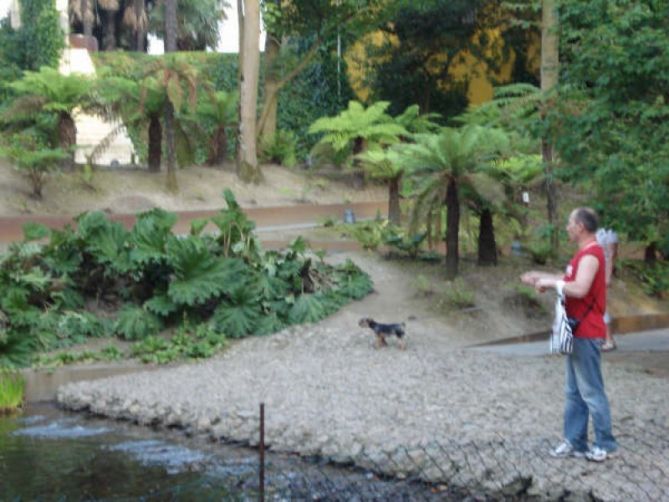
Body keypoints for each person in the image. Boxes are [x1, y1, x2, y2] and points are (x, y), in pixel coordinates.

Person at [521, 207, 618, 462]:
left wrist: (551, 283)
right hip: (576, 330)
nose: (566, 227)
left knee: (591, 390)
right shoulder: (583, 255)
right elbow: (567, 278)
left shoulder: (591, 254)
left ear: (581, 227)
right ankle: (575, 442)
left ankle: (605, 444)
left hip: (586, 331)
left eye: (569, 223)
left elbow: (579, 288)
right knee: (574, 391)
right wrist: (540, 277)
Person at [596, 227, 619, 351]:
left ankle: (609, 339)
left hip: (602, 273)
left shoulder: (610, 232)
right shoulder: (595, 230)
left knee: (601, 306)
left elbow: (611, 256)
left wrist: (608, 276)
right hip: (594, 271)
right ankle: (603, 337)